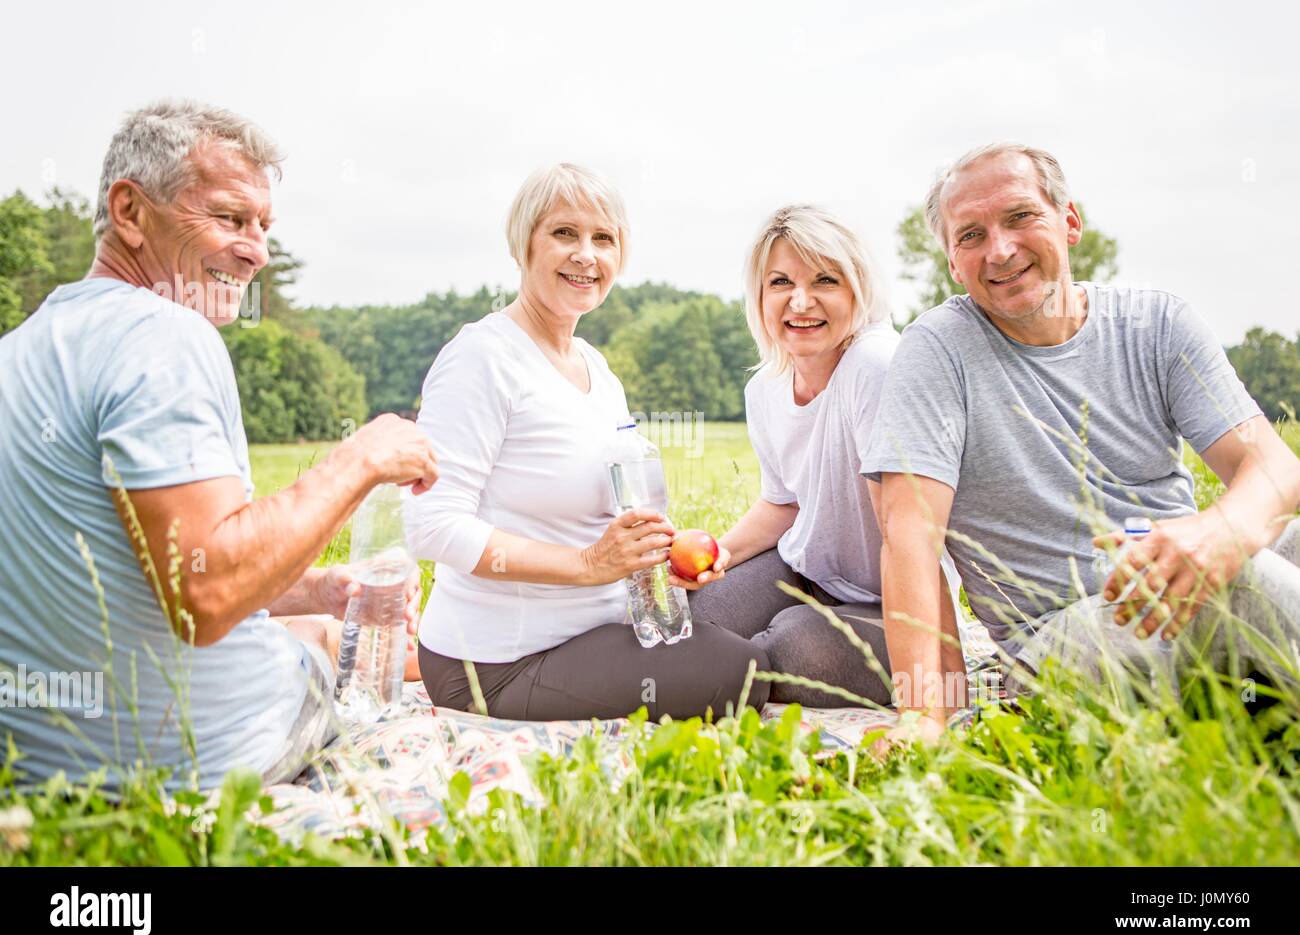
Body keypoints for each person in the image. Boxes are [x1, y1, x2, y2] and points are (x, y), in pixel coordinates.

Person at [0, 100, 439, 791]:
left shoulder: (20, 350)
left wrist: (316, 586)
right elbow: (205, 593)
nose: (257, 249)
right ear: (130, 212)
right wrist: (363, 458)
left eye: (263, 225)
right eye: (230, 218)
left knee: (322, 617)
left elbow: (139, 568)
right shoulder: (165, 335)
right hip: (189, 764)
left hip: (44, 773)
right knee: (330, 644)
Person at [863, 142, 1300, 748]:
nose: (1000, 249)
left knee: (1261, 555)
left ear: (1069, 222)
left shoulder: (1158, 323)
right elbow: (910, 537)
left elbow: (1272, 467)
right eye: (971, 235)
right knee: (1248, 581)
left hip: (1180, 573)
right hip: (1062, 639)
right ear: (953, 265)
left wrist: (1219, 533)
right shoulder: (937, 350)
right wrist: (924, 717)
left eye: (1020, 217)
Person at [404, 163, 769, 721]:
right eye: (564, 233)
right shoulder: (481, 357)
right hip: (498, 662)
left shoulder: (597, 370)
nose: (586, 255)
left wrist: (655, 560)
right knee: (741, 672)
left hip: (601, 624)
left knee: (747, 614)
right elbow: (431, 525)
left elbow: (605, 516)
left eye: (603, 239)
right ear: (523, 243)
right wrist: (586, 564)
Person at [683, 205, 905, 708]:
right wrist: (715, 557)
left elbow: (905, 531)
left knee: (794, 643)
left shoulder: (875, 366)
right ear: (759, 296)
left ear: (858, 287)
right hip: (809, 576)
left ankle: (722, 675)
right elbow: (784, 503)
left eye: (825, 279)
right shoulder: (766, 387)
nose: (800, 302)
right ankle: (703, 669)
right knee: (689, 620)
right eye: (780, 282)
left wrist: (933, 677)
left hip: (893, 605)